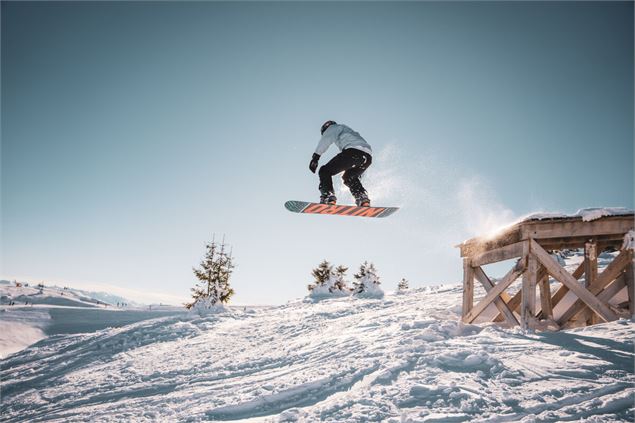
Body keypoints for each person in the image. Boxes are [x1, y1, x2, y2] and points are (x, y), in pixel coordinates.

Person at [309, 120, 373, 206]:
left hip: (353, 153)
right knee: (349, 177)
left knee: (325, 171)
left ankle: (328, 196)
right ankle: (362, 197)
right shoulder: (350, 132)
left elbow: (326, 139)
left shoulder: (333, 128)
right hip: (366, 158)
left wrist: (315, 157)